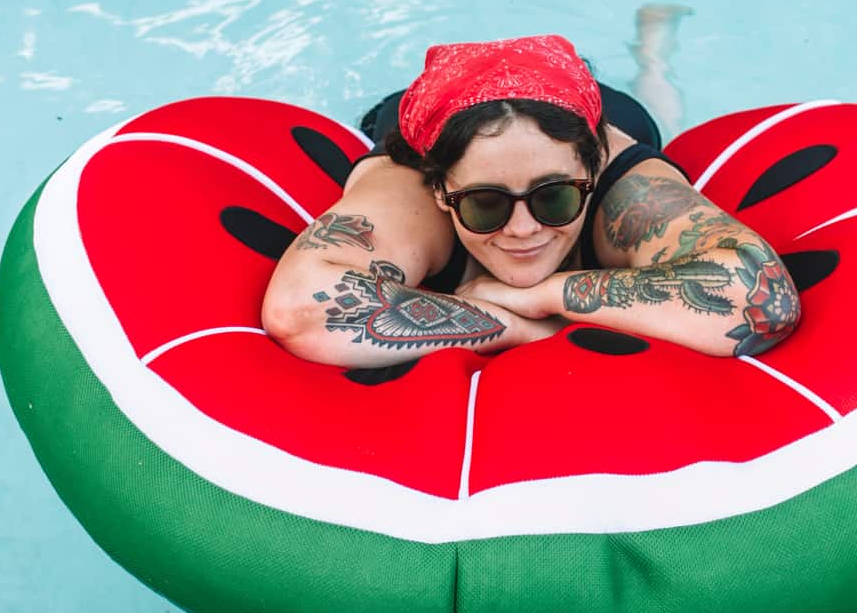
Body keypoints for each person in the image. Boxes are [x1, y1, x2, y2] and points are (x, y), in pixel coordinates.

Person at [262, 33, 801, 367]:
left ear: (592, 168)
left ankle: (652, 54)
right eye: (485, 205)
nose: (523, 230)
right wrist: (523, 327)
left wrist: (546, 296)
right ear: (442, 192)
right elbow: (300, 311)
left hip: (594, 110)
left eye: (555, 198)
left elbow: (764, 301)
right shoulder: (414, 188)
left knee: (656, 111)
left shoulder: (622, 183)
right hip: (434, 110)